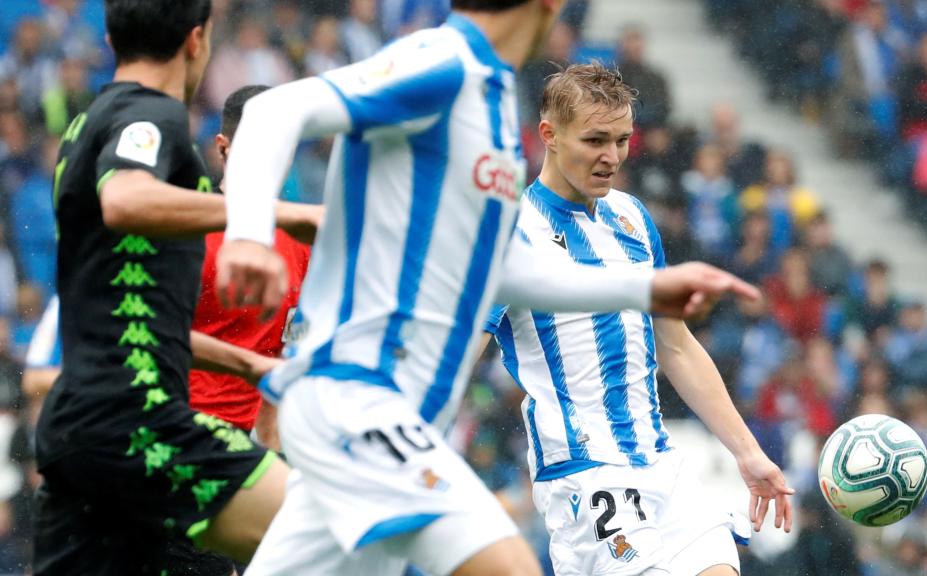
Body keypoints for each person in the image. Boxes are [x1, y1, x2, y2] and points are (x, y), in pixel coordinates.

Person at [217, 1, 763, 574]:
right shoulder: (442, 63)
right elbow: (274, 112)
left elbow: (505, 270)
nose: (613, 156)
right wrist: (249, 234)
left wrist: (646, 292)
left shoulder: (494, 96)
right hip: (359, 400)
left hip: (375, 414)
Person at [30, 1, 318, 573]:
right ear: (197, 41)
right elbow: (125, 198)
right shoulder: (152, 118)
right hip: (139, 421)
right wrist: (266, 213)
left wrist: (249, 367)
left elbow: (139, 318)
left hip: (82, 429)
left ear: (110, 39)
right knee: (327, 534)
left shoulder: (86, 124)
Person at [484, 64, 793, 576]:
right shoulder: (510, 230)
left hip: (659, 465)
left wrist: (748, 453)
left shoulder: (629, 216)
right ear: (549, 136)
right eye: (596, 140)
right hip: (585, 478)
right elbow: (457, 350)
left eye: (623, 139)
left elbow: (674, 345)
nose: (612, 157)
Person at [189, 85, 312, 451]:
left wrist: (275, 456)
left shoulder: (301, 246)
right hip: (175, 433)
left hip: (243, 450)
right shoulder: (188, 234)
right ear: (223, 148)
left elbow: (284, 356)